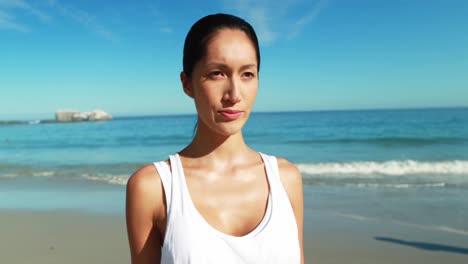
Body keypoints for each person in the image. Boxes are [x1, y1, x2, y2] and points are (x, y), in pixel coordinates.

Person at [126, 13, 304, 264]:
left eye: (247, 74)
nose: (234, 94)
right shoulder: (154, 187)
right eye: (217, 73)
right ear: (187, 84)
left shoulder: (286, 179)